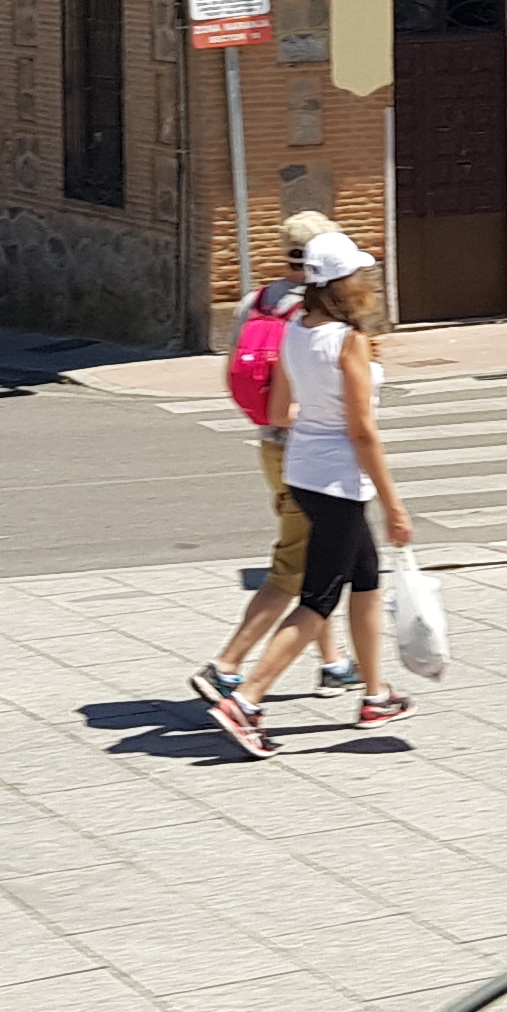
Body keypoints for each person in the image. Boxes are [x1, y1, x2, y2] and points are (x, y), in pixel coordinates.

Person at [195, 228, 411, 756]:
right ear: (346, 283)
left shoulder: (294, 328)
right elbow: (362, 431)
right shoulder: (348, 340)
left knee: (366, 579)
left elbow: (278, 411)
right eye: (361, 274)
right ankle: (246, 700)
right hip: (339, 481)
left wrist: (316, 420)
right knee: (318, 598)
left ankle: (376, 695)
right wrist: (393, 504)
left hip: (303, 472)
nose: (368, 282)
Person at [194, 221, 356, 702]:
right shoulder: (318, 310)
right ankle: (226, 664)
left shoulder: (257, 301)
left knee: (314, 557)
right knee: (292, 564)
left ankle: (333, 663)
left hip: (270, 443)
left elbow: (233, 374)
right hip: (310, 452)